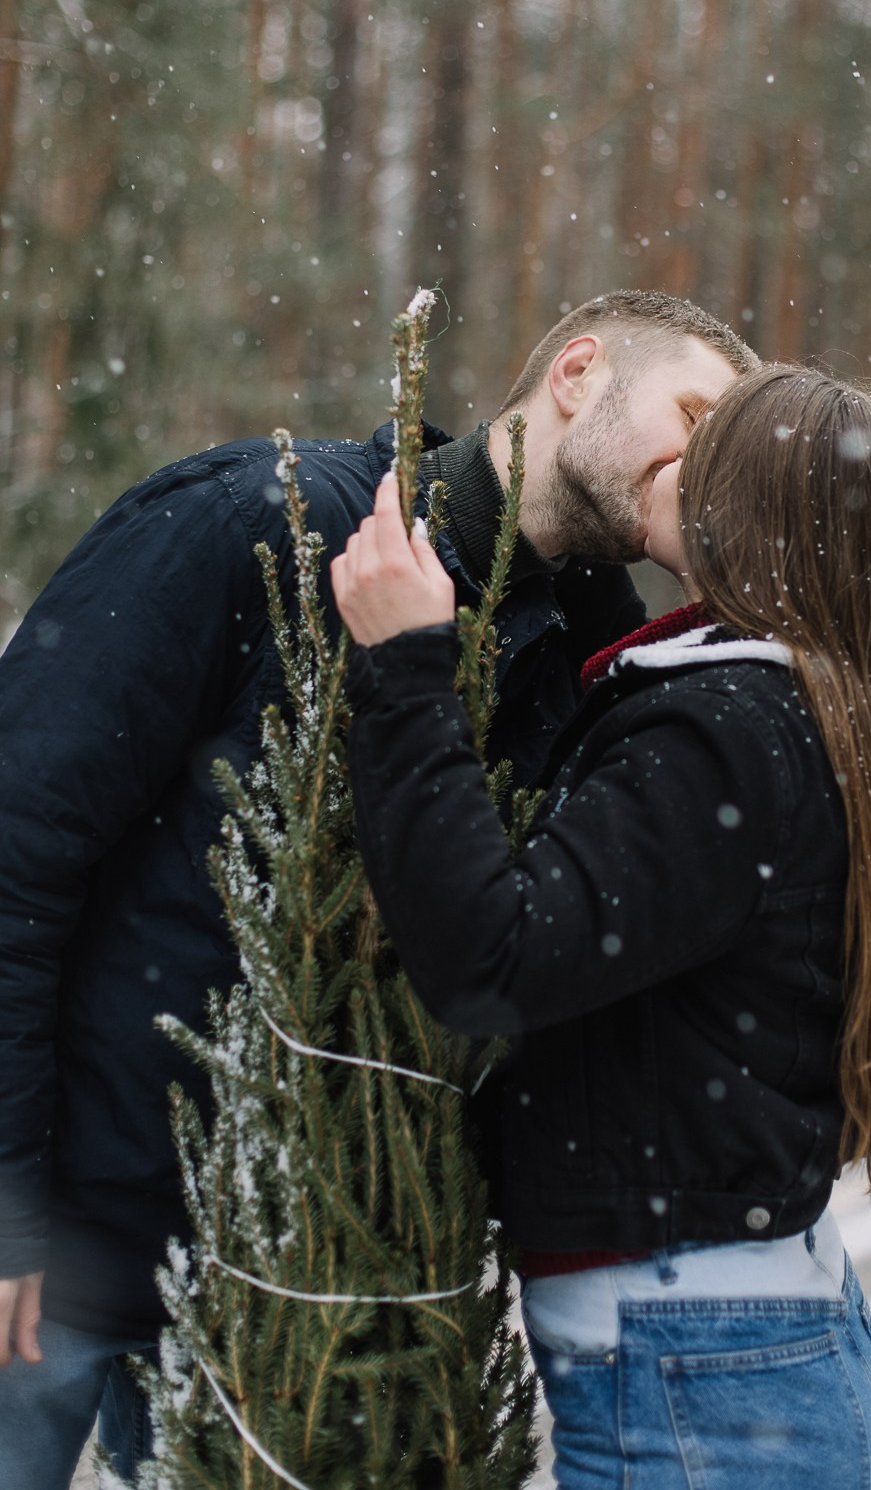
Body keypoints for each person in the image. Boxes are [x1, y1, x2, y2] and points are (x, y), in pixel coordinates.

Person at [0, 290, 756, 1489]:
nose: (704, 470)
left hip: (311, 1290)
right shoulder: (261, 522)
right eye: (696, 419)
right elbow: (17, 847)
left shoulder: (593, 650)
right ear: (577, 373)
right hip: (73, 1227)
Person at [332, 363, 871, 1488]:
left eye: (697, 449)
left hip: (705, 1381)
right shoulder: (802, 703)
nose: (665, 464)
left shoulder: (724, 735)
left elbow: (494, 956)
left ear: (743, 516)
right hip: (747, 1359)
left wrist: (405, 670)